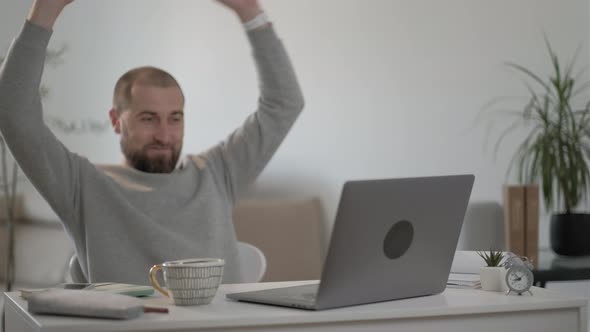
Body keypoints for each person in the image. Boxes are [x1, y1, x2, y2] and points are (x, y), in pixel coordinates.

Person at [0, 0, 304, 285]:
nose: (164, 135)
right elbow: (13, 112)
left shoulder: (217, 173)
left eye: (175, 118)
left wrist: (250, 11)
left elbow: (284, 104)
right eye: (148, 118)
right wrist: (45, 9)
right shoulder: (81, 185)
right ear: (116, 120)